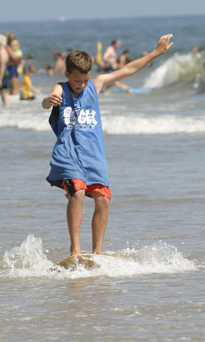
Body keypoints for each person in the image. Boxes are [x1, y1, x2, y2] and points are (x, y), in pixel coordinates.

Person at [42, 34, 173, 256]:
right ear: (67, 75)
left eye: (84, 80)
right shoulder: (61, 88)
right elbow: (48, 100)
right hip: (69, 153)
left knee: (103, 199)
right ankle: (75, 249)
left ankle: (98, 253)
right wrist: (48, 101)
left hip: (94, 156)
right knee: (78, 193)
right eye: (76, 80)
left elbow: (128, 70)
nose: (81, 85)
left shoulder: (96, 85)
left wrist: (156, 53)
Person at [0, 34, 10, 107]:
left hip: (3, 75)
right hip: (4, 74)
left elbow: (2, 67)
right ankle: (5, 108)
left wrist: (0, 79)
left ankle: (7, 108)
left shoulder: (2, 52)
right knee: (3, 93)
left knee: (4, 93)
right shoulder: (3, 51)